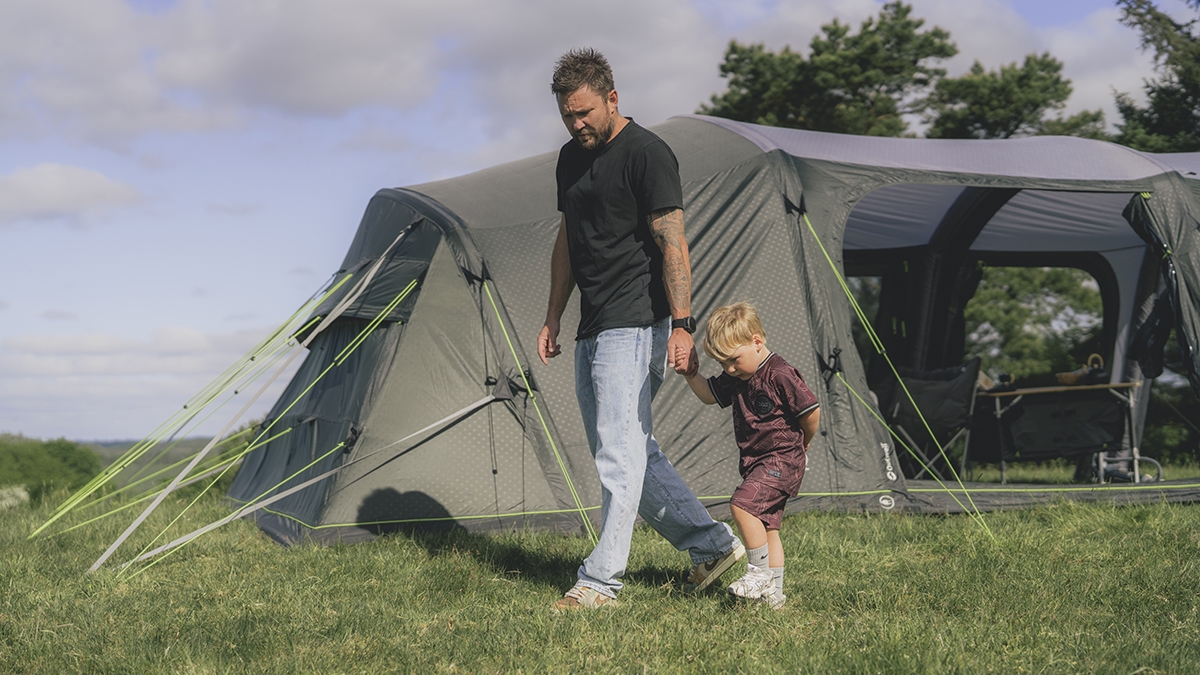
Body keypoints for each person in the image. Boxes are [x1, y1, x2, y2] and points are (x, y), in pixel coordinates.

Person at [537, 48, 744, 610]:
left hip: (636, 323)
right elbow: (568, 240)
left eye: (584, 112)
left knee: (618, 455)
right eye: (567, 115)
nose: (576, 124)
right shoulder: (569, 159)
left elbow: (672, 242)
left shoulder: (647, 153)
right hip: (593, 323)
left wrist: (682, 325)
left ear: (612, 98)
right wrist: (554, 314)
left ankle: (600, 582)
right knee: (629, 449)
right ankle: (713, 546)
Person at [682, 302, 821, 609]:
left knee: (742, 505)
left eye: (733, 360)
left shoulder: (780, 373)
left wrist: (805, 443)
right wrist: (691, 374)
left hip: (782, 459)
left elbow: (811, 412)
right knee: (768, 528)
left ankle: (758, 574)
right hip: (756, 462)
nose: (729, 369)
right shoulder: (737, 377)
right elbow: (709, 395)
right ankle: (774, 596)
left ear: (757, 341)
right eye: (722, 364)